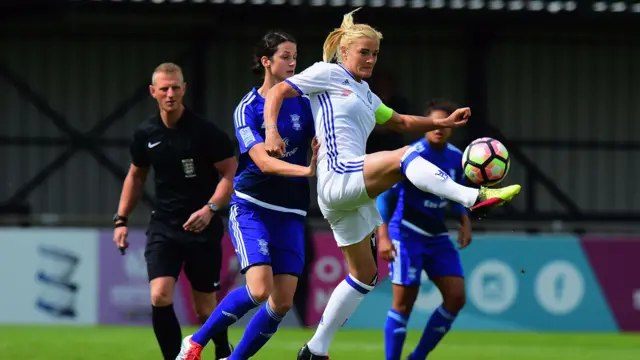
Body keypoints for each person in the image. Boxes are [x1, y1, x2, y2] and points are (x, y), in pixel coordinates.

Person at [261, 9, 521, 359]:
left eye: (374, 54)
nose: (370, 59)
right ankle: (473, 196)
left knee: (365, 275)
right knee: (404, 157)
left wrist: (442, 122)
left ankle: (315, 348)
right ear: (344, 52)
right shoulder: (327, 73)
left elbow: (399, 121)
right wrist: (272, 131)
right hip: (338, 174)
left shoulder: (366, 95)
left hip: (347, 192)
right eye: (363, 52)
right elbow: (277, 93)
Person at [175, 31, 319, 360]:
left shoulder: (305, 102)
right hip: (253, 208)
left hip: (292, 213)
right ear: (266, 62)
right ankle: (195, 342)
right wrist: (307, 171)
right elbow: (263, 162)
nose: (293, 62)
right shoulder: (247, 108)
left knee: (282, 303)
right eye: (286, 56)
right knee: (258, 290)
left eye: (296, 55)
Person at [113, 63, 237, 360]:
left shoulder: (205, 132)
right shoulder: (146, 133)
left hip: (202, 227)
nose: (170, 93)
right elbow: (136, 175)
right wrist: (121, 219)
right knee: (159, 295)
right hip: (164, 226)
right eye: (164, 88)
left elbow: (231, 173)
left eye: (175, 87)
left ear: (184, 89)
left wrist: (209, 209)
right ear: (153, 92)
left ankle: (222, 348)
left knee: (205, 307)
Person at [377, 99, 471, 360]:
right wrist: (383, 235)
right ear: (427, 126)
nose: (439, 129)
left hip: (438, 235)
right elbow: (386, 197)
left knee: (456, 298)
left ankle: (417, 357)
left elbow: (456, 194)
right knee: (404, 303)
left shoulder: (456, 157)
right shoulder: (412, 155)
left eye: (445, 123)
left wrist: (464, 221)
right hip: (406, 232)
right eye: (435, 123)